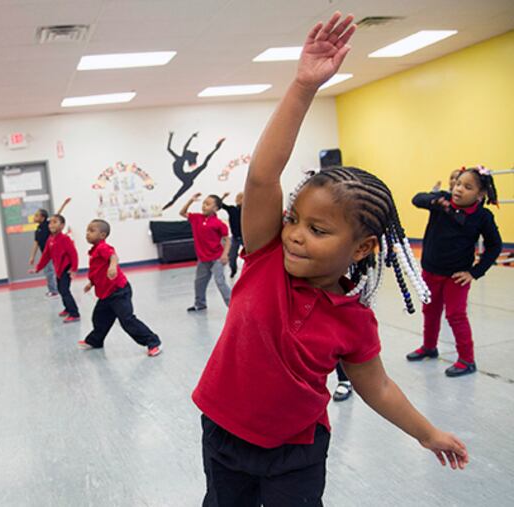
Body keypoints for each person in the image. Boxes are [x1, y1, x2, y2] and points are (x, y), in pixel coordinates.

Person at [191, 14, 468, 506]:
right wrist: (303, 86)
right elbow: (261, 178)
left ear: (361, 249)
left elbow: (377, 386)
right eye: (294, 218)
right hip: (224, 433)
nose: (295, 234)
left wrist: (427, 433)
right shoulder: (265, 257)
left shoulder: (353, 319)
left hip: (296, 450)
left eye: (317, 230)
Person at [407, 166, 502, 377]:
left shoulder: (482, 216)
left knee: (455, 315)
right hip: (430, 271)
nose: (459, 189)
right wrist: (433, 199)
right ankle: (429, 347)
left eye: (467, 187)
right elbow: (417, 199)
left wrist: (475, 272)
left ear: (480, 194)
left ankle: (467, 360)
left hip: (456, 278)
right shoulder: (441, 201)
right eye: (458, 183)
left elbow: (495, 245)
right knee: (430, 312)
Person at [78, 219, 162, 356]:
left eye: (91, 231)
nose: (87, 234)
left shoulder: (103, 248)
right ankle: (95, 341)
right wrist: (91, 283)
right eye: (87, 230)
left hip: (118, 291)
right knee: (99, 318)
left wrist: (112, 266)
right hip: (106, 294)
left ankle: (153, 342)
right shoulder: (94, 251)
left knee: (127, 320)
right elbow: (96, 270)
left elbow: (113, 256)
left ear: (102, 235)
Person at [180, 193, 231, 311]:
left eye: (208, 204)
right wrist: (190, 200)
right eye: (204, 203)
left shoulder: (219, 224)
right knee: (199, 283)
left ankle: (233, 305)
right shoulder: (197, 218)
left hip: (217, 258)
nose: (204, 206)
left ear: (216, 209)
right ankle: (200, 304)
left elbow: (227, 240)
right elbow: (182, 213)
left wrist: (225, 254)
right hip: (203, 259)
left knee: (220, 282)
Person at [31, 214, 79, 323]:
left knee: (65, 291)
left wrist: (74, 269)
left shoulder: (65, 239)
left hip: (66, 269)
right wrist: (38, 268)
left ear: (62, 226)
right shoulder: (50, 239)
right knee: (61, 290)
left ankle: (74, 313)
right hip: (58, 269)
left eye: (55, 222)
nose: (51, 224)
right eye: (50, 222)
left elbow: (73, 254)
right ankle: (67, 308)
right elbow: (46, 256)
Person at [162, 132, 225, 210]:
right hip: (186, 177)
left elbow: (184, 147)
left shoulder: (180, 159)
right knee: (203, 165)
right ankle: (165, 207)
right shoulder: (179, 158)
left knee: (204, 165)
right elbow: (169, 148)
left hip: (187, 179)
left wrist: (191, 137)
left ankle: (216, 148)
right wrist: (172, 136)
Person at [29, 197, 71, 298]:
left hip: (53, 252)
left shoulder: (48, 224)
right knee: (49, 271)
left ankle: (54, 291)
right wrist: (32, 256)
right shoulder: (37, 230)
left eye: (36, 216)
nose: (34, 217)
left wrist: (64, 204)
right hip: (46, 253)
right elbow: (36, 243)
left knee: (50, 272)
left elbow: (57, 214)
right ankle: (54, 289)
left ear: (42, 218)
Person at [219, 191, 243, 278]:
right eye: (239, 198)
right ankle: (233, 270)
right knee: (232, 256)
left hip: (245, 237)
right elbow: (220, 205)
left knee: (250, 255)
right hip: (235, 237)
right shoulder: (232, 209)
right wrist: (223, 196)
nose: (241, 200)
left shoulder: (248, 210)